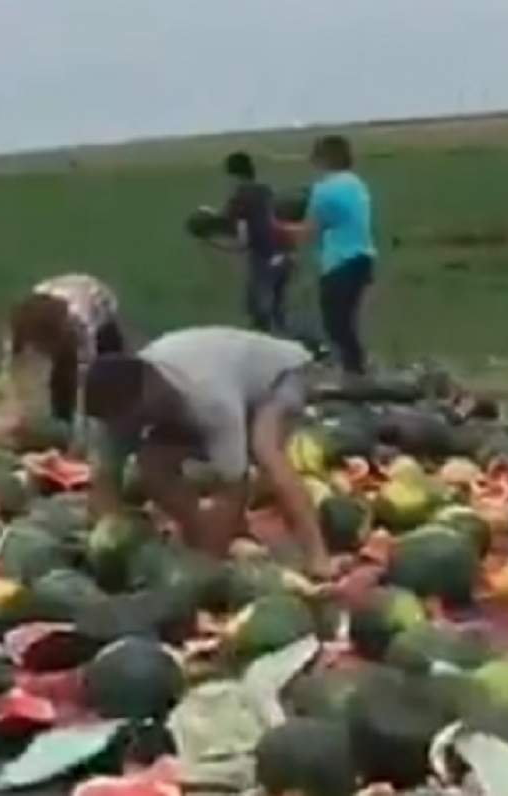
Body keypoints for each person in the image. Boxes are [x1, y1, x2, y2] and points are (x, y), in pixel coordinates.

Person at [83, 327, 330, 577]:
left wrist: (209, 566)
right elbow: (105, 479)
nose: (123, 428)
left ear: (147, 395)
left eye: (128, 419)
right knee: (152, 464)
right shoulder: (118, 411)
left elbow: (233, 487)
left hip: (279, 374)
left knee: (264, 448)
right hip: (213, 389)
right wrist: (112, 540)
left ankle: (317, 556)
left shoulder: (209, 398)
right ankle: (197, 533)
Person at [0, 274, 125, 441]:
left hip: (100, 313)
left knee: (101, 383)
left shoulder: (78, 324)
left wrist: (82, 437)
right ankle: (62, 418)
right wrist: (15, 412)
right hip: (60, 308)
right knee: (57, 383)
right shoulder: (22, 322)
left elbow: (86, 379)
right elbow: (11, 367)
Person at [291, 135, 377, 376]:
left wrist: (275, 228)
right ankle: (355, 366)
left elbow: (308, 231)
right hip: (364, 257)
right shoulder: (356, 183)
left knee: (336, 323)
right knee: (347, 320)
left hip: (340, 262)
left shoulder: (324, 190)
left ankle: (354, 370)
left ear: (323, 159)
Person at [221, 151, 295, 333]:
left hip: (264, 256)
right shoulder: (267, 190)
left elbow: (236, 228)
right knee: (278, 307)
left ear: (233, 174)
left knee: (258, 309)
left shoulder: (240, 195)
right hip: (285, 254)